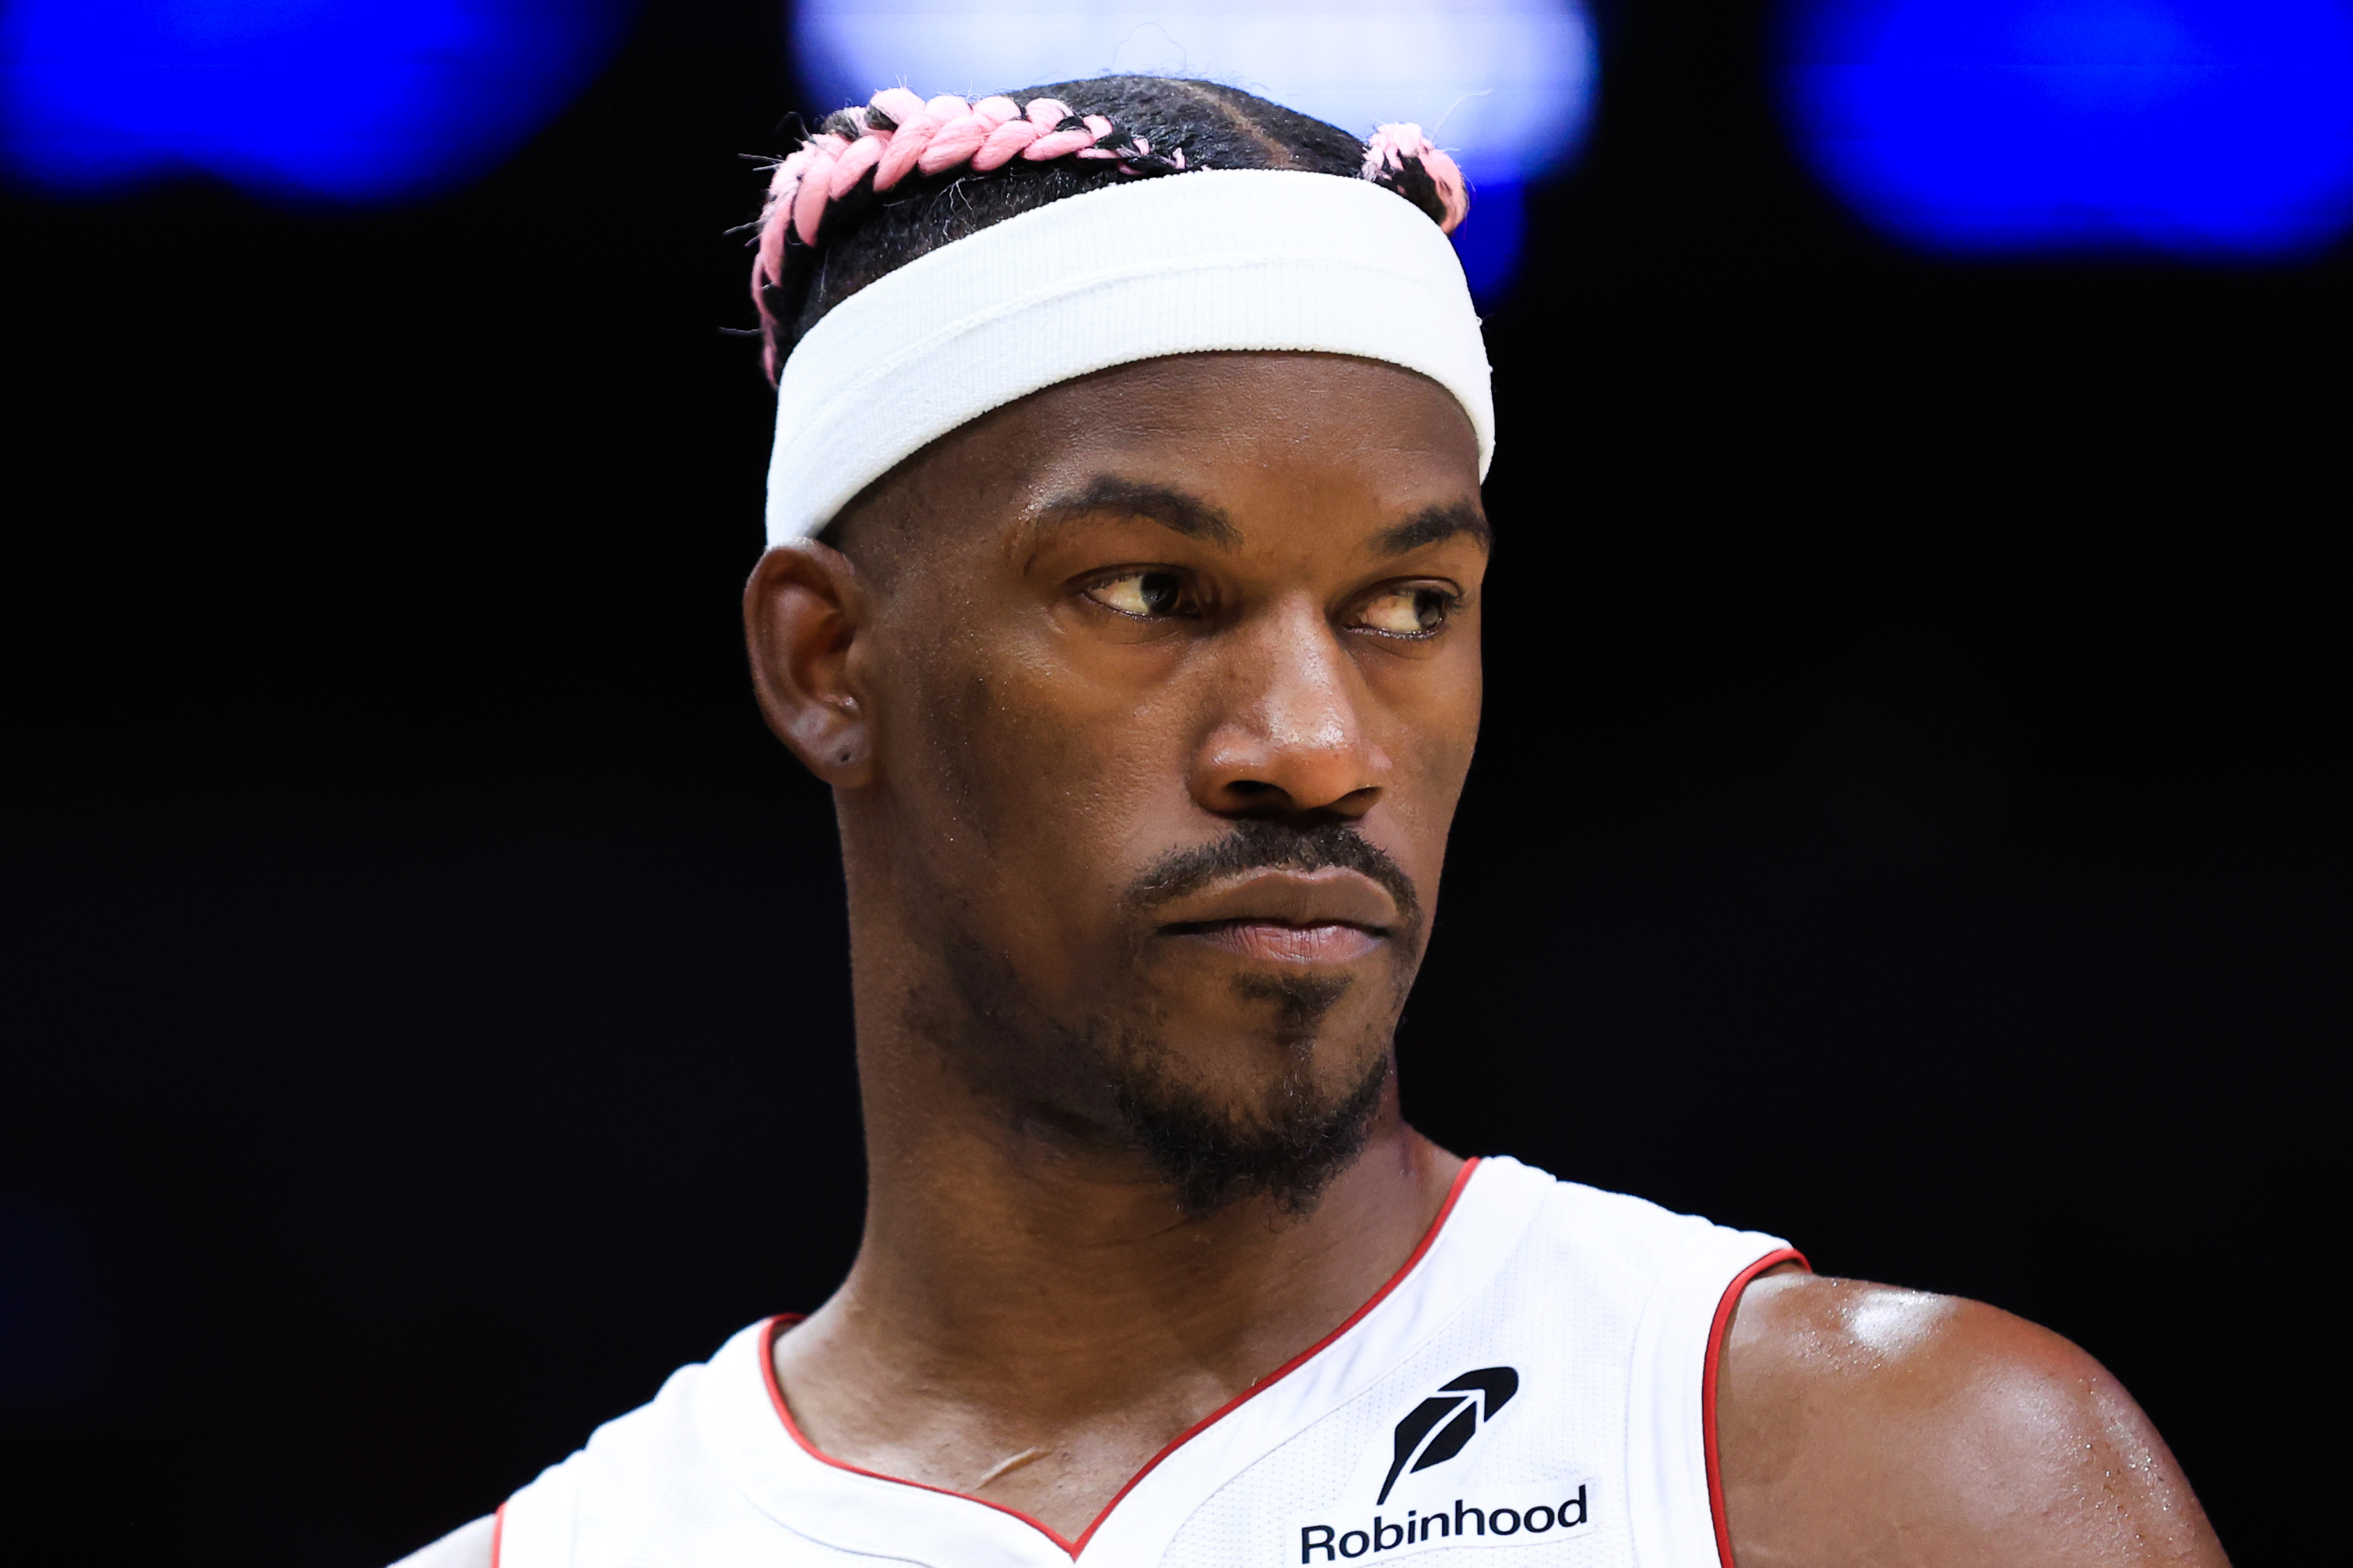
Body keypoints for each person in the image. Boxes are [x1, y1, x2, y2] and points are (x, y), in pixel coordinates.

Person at [398, 75, 2228, 1568]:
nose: (1315, 745)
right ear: (829, 662)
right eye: (1149, 593)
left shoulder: (1904, 1486)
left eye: (1405, 608)